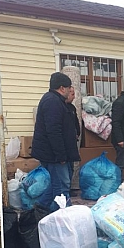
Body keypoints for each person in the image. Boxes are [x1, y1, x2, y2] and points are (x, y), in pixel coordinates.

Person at [31, 72, 80, 211]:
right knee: (62, 185)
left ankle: (40, 208)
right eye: (69, 87)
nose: (71, 90)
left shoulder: (55, 100)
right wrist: (61, 155)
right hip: (53, 155)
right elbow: (53, 131)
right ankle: (64, 215)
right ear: (62, 88)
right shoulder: (53, 102)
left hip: (53, 153)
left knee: (54, 184)